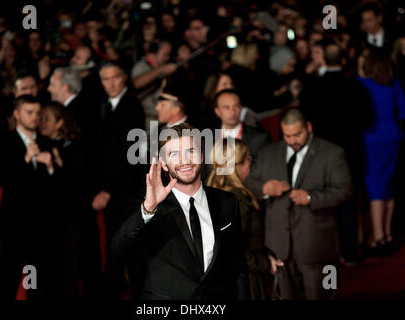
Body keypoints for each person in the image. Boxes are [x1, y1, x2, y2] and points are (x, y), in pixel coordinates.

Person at [112, 123, 249, 300]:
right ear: (164, 164)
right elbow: (117, 249)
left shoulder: (227, 202)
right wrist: (148, 209)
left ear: (200, 155)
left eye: (190, 151)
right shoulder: (147, 206)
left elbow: (238, 268)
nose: (184, 161)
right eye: (174, 154)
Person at [249, 108, 352, 300]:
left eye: (297, 134)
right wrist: (264, 188)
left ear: (309, 127)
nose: (292, 140)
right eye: (287, 135)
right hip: (278, 247)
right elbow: (248, 183)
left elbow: (344, 191)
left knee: (323, 296)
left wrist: (311, 198)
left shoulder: (332, 153)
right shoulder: (268, 153)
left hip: (317, 246)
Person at [300, 42, 374, 264]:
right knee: (347, 204)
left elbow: (305, 119)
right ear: (343, 61)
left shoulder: (313, 87)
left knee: (323, 205)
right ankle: (350, 252)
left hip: (321, 154)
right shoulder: (356, 86)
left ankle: (328, 253)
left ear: (324, 60)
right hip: (349, 153)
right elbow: (367, 119)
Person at [0, 95, 59, 299]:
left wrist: (50, 167)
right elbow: (2, 178)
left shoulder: (47, 142)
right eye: (29, 112)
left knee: (38, 285)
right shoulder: (5, 142)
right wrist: (25, 159)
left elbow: (55, 187)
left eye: (37, 113)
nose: (34, 117)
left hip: (40, 227)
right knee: (8, 282)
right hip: (14, 226)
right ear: (16, 114)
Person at [207, 138, 283, 299]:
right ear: (237, 165)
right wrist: (266, 264)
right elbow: (233, 251)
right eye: (248, 159)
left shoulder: (212, 193)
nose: (250, 163)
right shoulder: (237, 200)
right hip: (243, 281)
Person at [95, 61, 146, 299]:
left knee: (130, 252)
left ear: (124, 77)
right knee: (119, 251)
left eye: (114, 77)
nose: (110, 83)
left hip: (126, 193)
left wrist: (106, 189)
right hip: (118, 192)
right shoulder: (107, 105)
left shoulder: (131, 106)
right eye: (105, 79)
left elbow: (127, 153)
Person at [357, 48, 405, 254]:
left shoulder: (364, 85)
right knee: (388, 187)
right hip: (393, 136)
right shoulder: (394, 84)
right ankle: (386, 233)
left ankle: (378, 237)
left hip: (372, 139)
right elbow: (403, 112)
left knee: (376, 187)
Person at [39, 101, 85, 299]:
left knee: (70, 270)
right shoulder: (41, 146)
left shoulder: (73, 148)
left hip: (70, 218)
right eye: (40, 118)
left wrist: (58, 164)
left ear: (59, 122)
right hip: (50, 220)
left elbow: (77, 184)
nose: (42, 123)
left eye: (47, 119)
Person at [131, 40, 177, 130]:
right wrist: (161, 70)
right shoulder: (142, 66)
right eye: (165, 54)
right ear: (153, 53)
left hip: (161, 119)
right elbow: (137, 83)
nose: (167, 58)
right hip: (148, 119)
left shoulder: (158, 68)